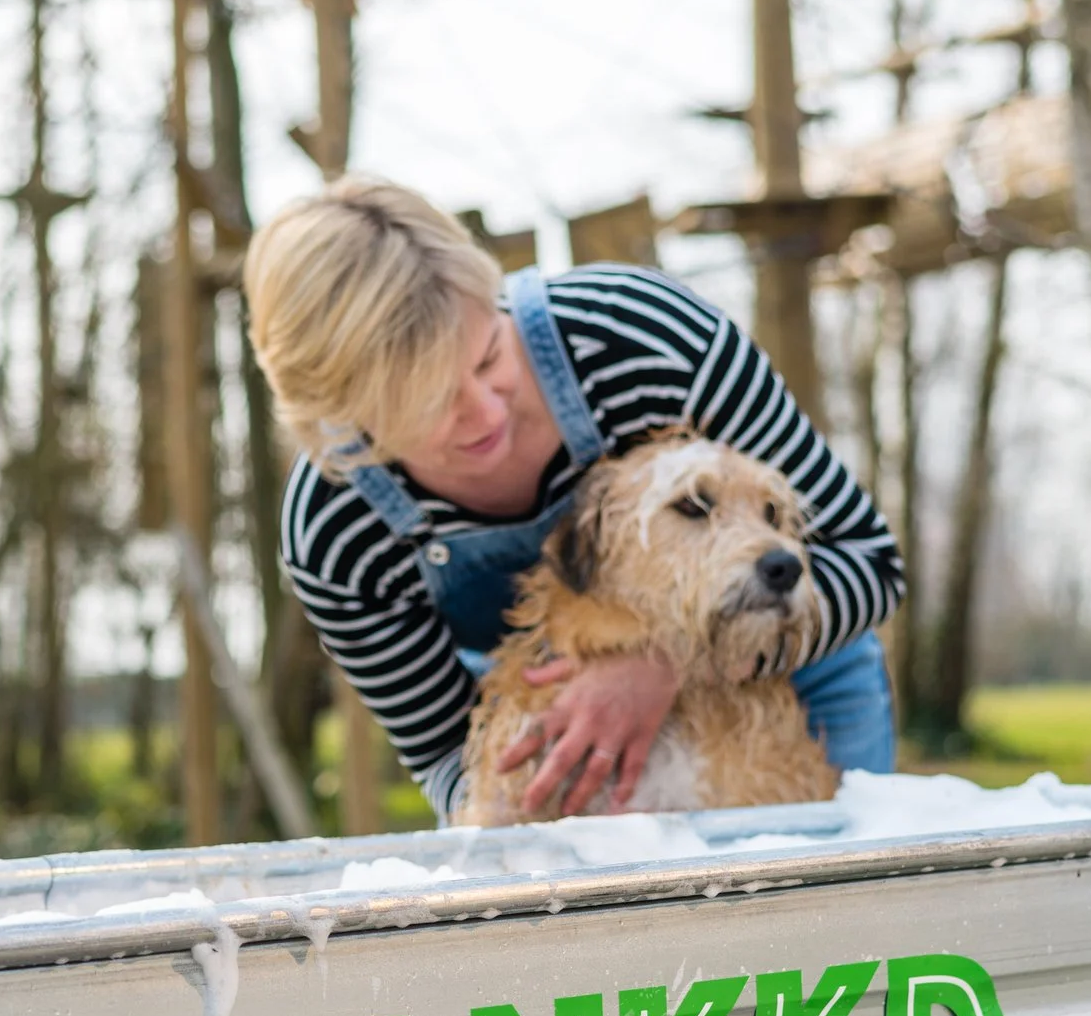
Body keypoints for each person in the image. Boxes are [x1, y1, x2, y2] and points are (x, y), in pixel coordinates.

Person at [243, 177, 904, 822]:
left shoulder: (647, 337)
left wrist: (662, 669)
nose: (484, 412)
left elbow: (872, 562)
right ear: (346, 417)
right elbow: (448, 757)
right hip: (546, 704)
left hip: (790, 672)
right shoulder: (333, 531)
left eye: (487, 356)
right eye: (431, 402)